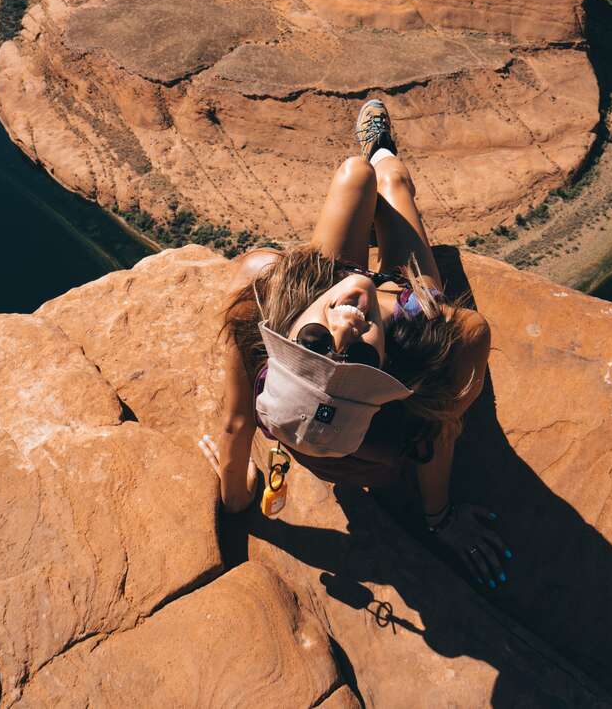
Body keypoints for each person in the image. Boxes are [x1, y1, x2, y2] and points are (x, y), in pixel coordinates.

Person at [198, 99, 510, 587]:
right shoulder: (429, 340)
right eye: (360, 358)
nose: (346, 324)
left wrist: (235, 494)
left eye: (315, 344)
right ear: (387, 372)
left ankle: (367, 186)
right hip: (401, 307)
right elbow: (439, 438)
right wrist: (441, 519)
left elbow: (237, 423)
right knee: (391, 180)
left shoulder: (260, 303)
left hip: (323, 285)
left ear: (283, 338)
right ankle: (384, 154)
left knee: (352, 175)